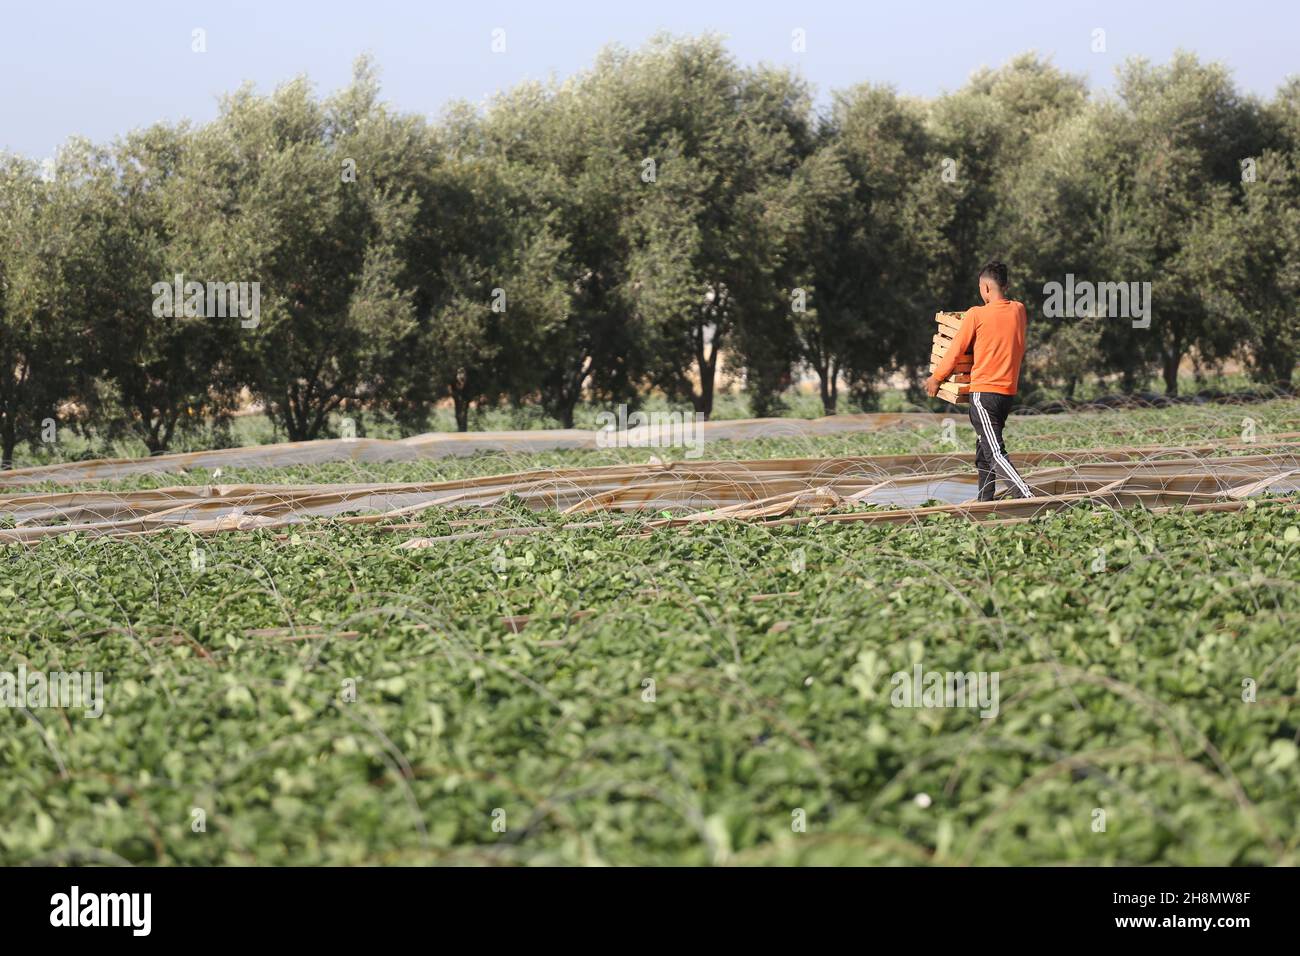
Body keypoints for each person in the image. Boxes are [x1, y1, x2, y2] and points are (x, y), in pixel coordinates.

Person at [925, 261, 1033, 500]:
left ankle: (1026, 496)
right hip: (1006, 394)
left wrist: (936, 378)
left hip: (984, 395)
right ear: (1006, 285)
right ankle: (985, 500)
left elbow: (955, 351)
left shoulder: (976, 314)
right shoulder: (1019, 310)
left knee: (994, 451)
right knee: (984, 450)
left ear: (985, 288)